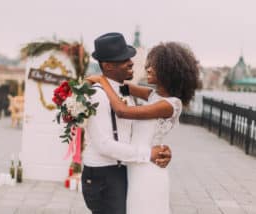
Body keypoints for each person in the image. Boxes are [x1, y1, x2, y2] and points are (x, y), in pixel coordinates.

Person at [87, 41, 199, 214]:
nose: (148, 69)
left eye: (154, 66)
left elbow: (123, 111)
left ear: (168, 71)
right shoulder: (152, 95)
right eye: (148, 65)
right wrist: (97, 83)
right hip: (134, 166)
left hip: (148, 170)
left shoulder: (170, 105)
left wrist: (102, 80)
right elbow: (124, 87)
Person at [82, 32, 172, 214]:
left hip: (121, 171)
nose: (131, 62)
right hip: (104, 175)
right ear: (107, 66)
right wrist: (149, 153)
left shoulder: (123, 90)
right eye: (124, 59)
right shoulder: (98, 95)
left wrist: (160, 149)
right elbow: (105, 145)